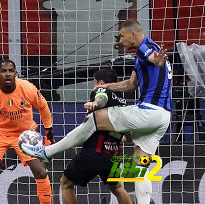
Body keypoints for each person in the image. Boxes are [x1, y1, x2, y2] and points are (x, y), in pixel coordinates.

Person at [21, 19, 171, 204]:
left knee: (96, 117)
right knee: (138, 166)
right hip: (163, 117)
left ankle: (47, 151)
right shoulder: (141, 59)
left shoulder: (145, 47)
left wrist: (156, 60)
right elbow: (131, 84)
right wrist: (107, 86)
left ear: (133, 34)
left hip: (148, 111)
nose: (120, 41)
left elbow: (152, 58)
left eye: (122, 36)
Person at [0, 59, 55, 204]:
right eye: (4, 71)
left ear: (16, 73)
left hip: (25, 133)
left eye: (11, 71)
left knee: (41, 172)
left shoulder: (28, 88)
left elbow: (43, 107)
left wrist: (49, 133)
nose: (8, 74)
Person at [60, 69, 131, 204]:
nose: (94, 87)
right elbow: (129, 137)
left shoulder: (101, 91)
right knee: (117, 187)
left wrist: (95, 104)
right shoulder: (123, 102)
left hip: (94, 153)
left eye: (94, 83)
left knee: (66, 183)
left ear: (101, 82)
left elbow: (100, 98)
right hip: (113, 154)